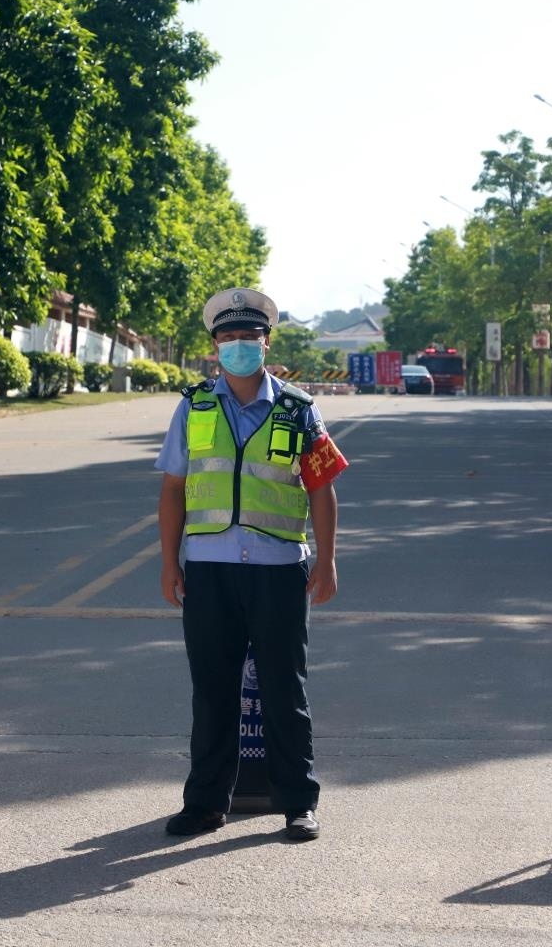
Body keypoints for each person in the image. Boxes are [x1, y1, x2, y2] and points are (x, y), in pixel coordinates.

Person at [155, 286, 349, 842]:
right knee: (211, 690)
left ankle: (297, 803)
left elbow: (322, 490)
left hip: (278, 567)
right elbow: (172, 490)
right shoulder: (193, 407)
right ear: (213, 347)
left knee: (284, 688)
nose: (238, 346)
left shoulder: (298, 409)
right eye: (228, 338)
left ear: (267, 343)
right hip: (210, 568)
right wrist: (170, 563)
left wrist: (328, 561)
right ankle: (206, 803)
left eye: (248, 337)